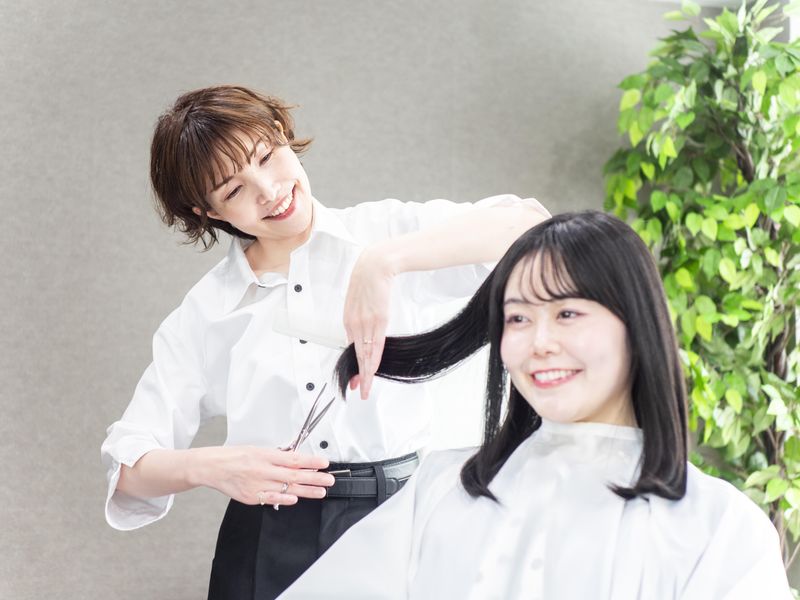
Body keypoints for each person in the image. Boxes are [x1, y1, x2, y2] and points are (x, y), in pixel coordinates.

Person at [99, 84, 549, 599]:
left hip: (401, 518)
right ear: (208, 213)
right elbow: (129, 468)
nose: (269, 190)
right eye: (233, 190)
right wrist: (213, 466)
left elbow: (533, 227)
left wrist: (384, 262)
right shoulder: (208, 311)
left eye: (267, 156)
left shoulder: (387, 231)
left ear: (283, 134)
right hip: (267, 538)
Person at [280, 210, 791, 599]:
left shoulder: (721, 526)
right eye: (519, 319)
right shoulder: (442, 489)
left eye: (567, 313)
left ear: (637, 325)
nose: (538, 343)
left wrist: (384, 259)